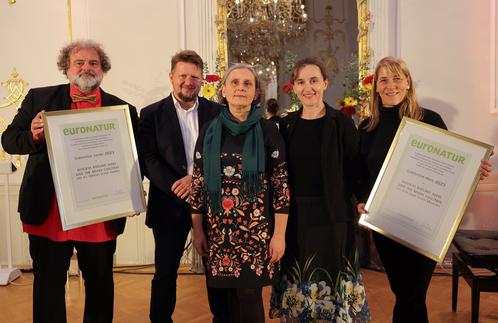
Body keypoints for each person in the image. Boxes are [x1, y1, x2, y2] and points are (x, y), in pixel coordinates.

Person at [1, 40, 138, 323]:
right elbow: (9, 140)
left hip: (99, 215)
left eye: (93, 63)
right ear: (66, 68)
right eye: (80, 62)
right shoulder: (39, 98)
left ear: (103, 69)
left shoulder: (123, 109)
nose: (86, 68)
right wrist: (35, 136)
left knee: (101, 287)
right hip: (49, 212)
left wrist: (133, 194)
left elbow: (134, 160)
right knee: (48, 288)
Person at [356, 56, 492, 323]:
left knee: (412, 293)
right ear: (376, 87)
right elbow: (361, 175)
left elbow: (450, 166)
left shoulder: (430, 119)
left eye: (397, 78)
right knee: (403, 291)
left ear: (408, 82)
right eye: (383, 79)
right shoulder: (366, 128)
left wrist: (475, 171)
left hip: (426, 224)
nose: (390, 85)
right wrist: (361, 200)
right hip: (386, 222)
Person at [269, 57, 370, 322]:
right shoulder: (285, 125)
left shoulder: (342, 123)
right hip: (296, 219)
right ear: (294, 87)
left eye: (314, 81)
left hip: (333, 217)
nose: (308, 88)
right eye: (301, 82)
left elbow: (355, 169)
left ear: (325, 83)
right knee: (297, 281)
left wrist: (361, 200)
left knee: (332, 283)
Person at [189, 63, 290, 323]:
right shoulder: (209, 130)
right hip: (217, 230)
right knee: (221, 303)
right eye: (234, 82)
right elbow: (199, 184)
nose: (240, 88)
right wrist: (198, 230)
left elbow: (280, 185)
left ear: (256, 92)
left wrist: (279, 235)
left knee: (249, 298)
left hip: (255, 232)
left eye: (247, 83)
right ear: (223, 89)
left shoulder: (269, 131)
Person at [138, 50, 228, 323]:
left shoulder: (218, 112)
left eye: (194, 77)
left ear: (201, 80)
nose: (188, 82)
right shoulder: (151, 113)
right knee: (165, 272)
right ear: (171, 77)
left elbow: (226, 155)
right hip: (168, 204)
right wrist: (178, 186)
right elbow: (148, 158)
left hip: (213, 205)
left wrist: (197, 180)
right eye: (183, 76)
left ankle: (222, 319)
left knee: (218, 272)